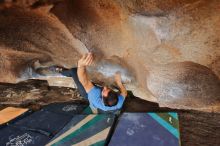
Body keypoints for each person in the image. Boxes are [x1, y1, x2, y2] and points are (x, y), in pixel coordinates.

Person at [61, 53, 127, 112]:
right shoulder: (119, 102)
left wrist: (81, 65)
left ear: (102, 99)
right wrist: (119, 83)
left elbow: (84, 81)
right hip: (104, 102)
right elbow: (124, 92)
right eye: (108, 89)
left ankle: (60, 71)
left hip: (86, 94)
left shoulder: (95, 96)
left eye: (104, 91)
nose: (105, 87)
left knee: (73, 71)